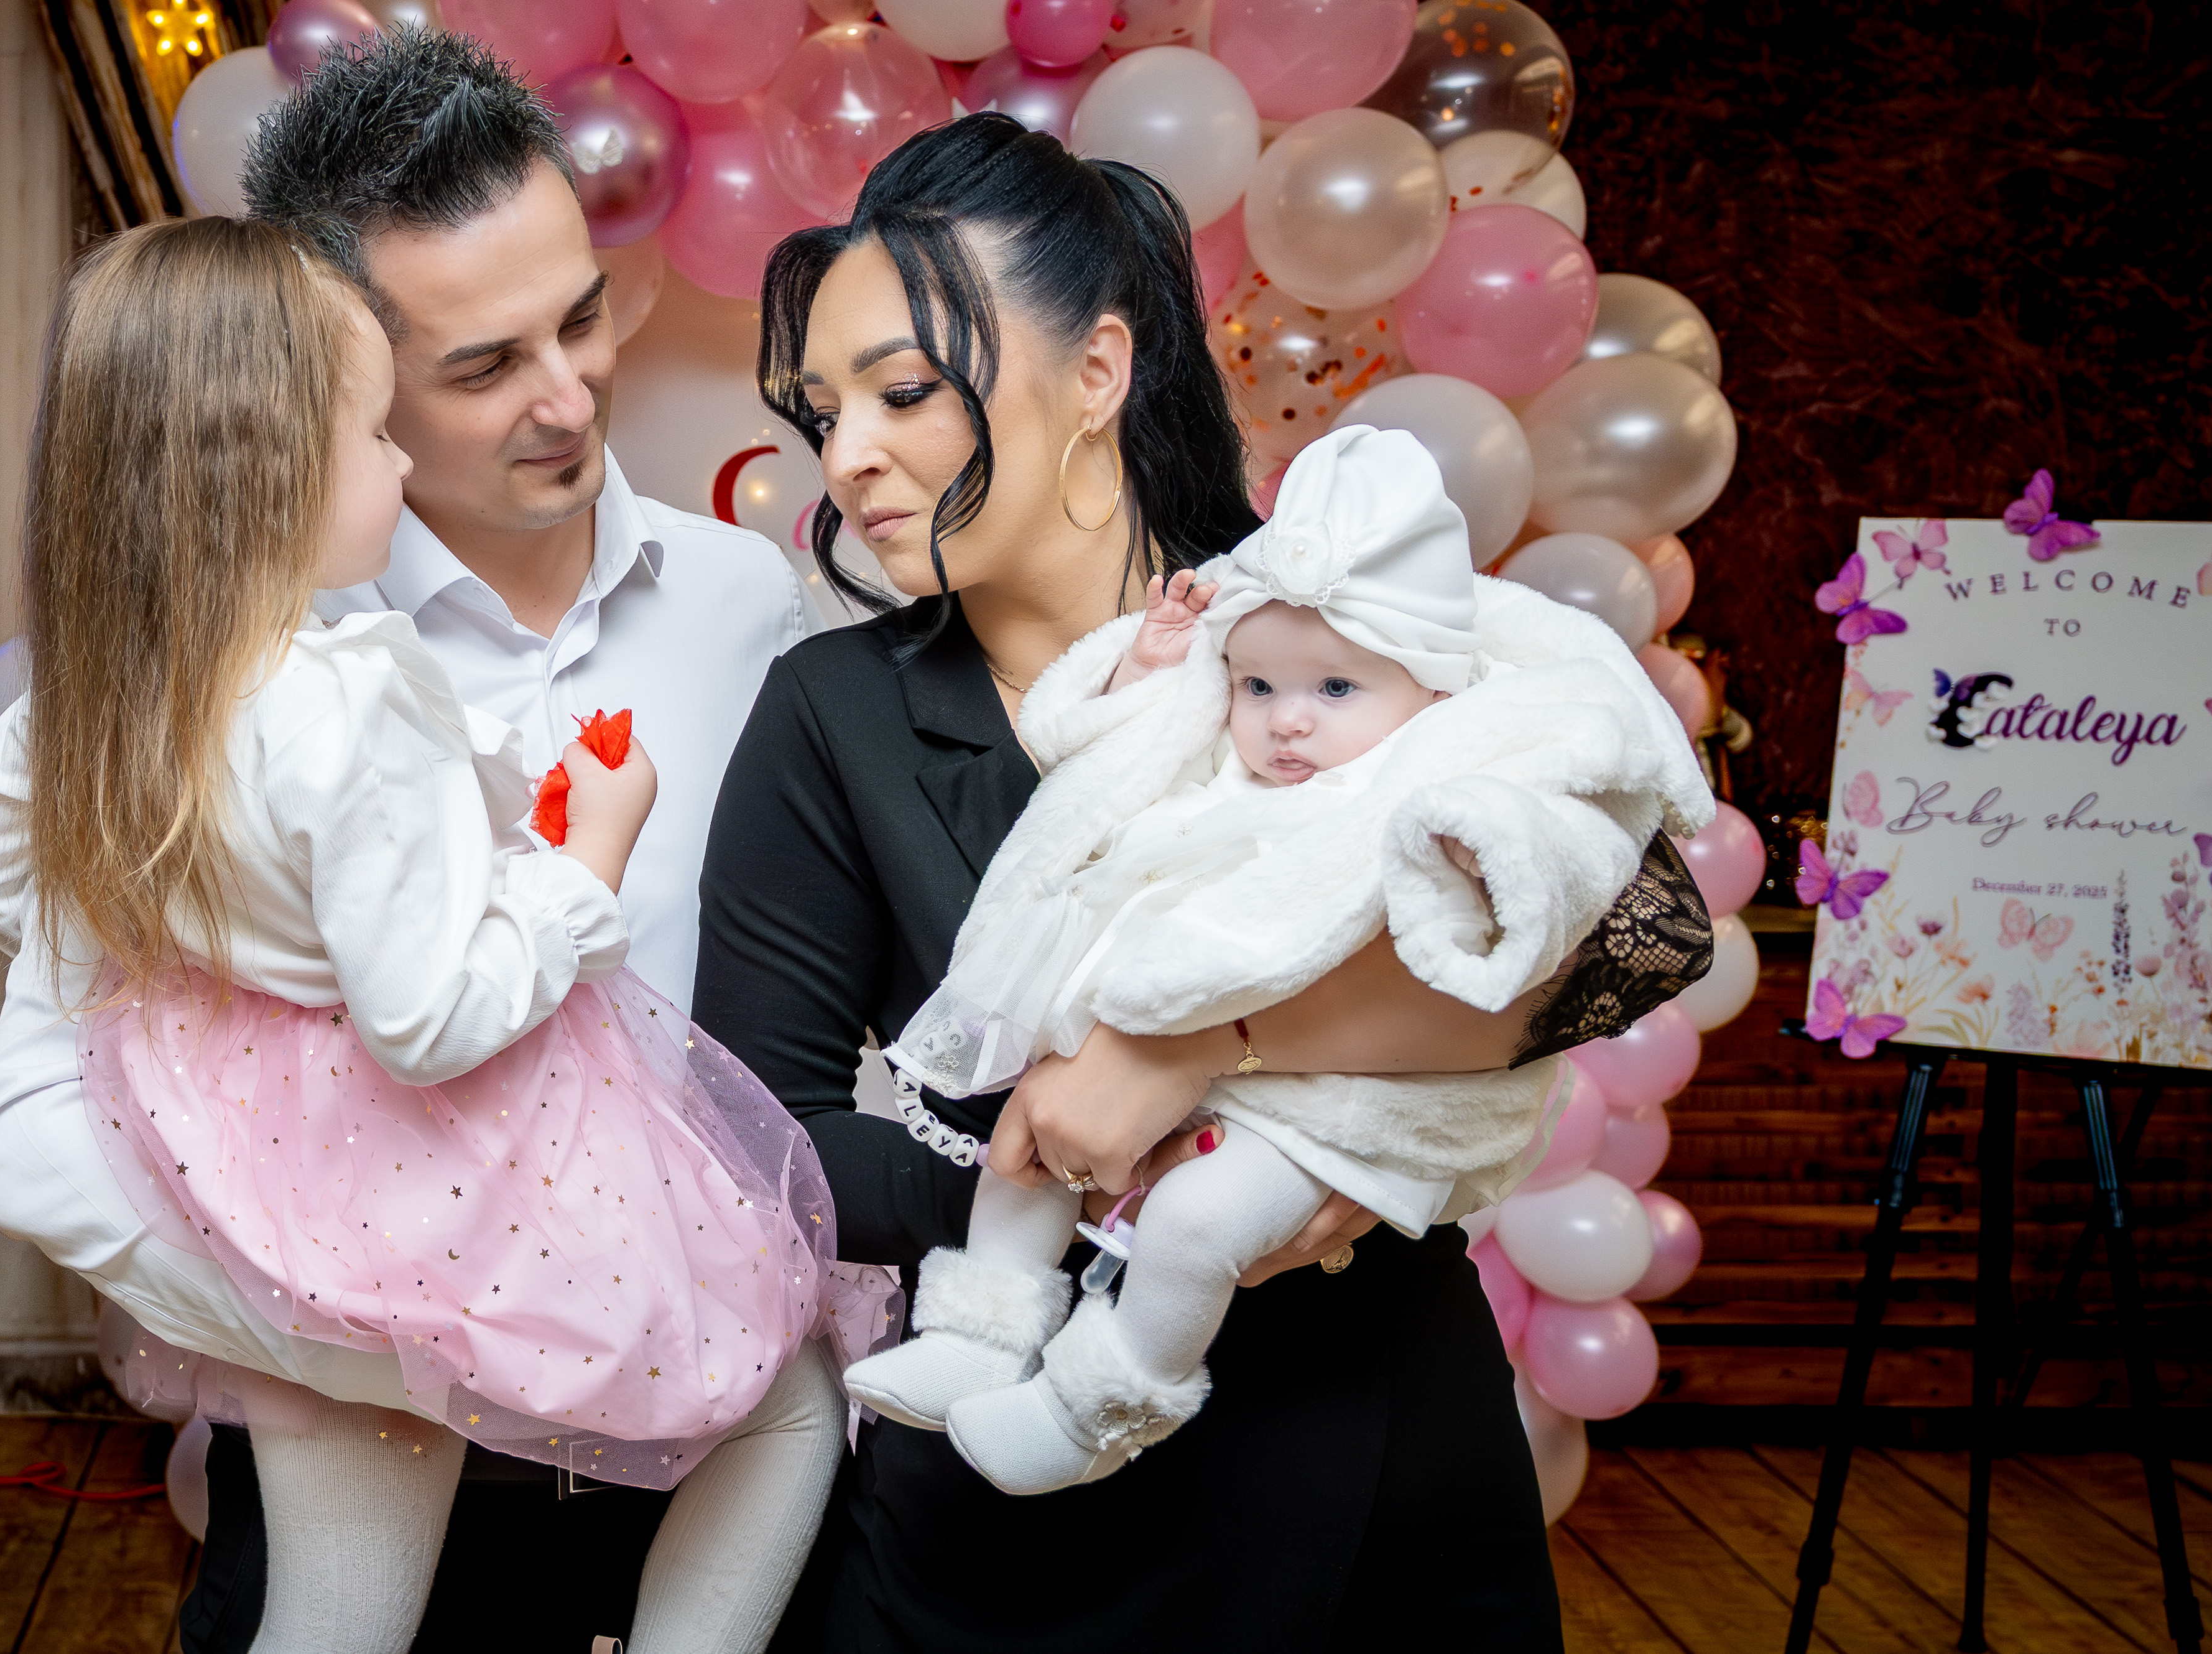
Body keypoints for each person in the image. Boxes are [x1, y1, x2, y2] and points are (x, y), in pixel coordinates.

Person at [696, 112, 1715, 1648]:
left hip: (1369, 1431)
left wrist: (1195, 1050)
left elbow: (1634, 928)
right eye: (822, 411)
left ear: (1097, 371)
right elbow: (757, 1143)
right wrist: (1080, 1175)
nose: (847, 459)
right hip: (1015, 1498)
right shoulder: (836, 713)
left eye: (902, 394)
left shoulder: (1323, 608)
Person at [0, 215, 848, 1654]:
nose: (401, 467)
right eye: (375, 433)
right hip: (444, 1192)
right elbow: (428, 1020)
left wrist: (208, 954)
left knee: (333, 1622)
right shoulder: (356, 694)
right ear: (270, 467)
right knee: (786, 1393)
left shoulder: (111, 702)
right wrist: (582, 867)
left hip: (268, 1188)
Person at [849, 426, 1715, 1495]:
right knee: (1029, 1139)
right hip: (1146, 1061)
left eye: (1335, 691)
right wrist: (1148, 671)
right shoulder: (1225, 749)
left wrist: (1487, 845)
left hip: (1328, 1106)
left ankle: (1099, 1407)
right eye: (1256, 687)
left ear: (1434, 694)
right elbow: (1116, 757)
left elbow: (1584, 870)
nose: (1287, 722)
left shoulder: (1446, 772)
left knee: (1196, 1223)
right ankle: (977, 1331)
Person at [252, 27, 806, 1014]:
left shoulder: (747, 600)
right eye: (488, 368)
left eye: (582, 321)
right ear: (343, 378)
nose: (570, 401)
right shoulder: (264, 659)